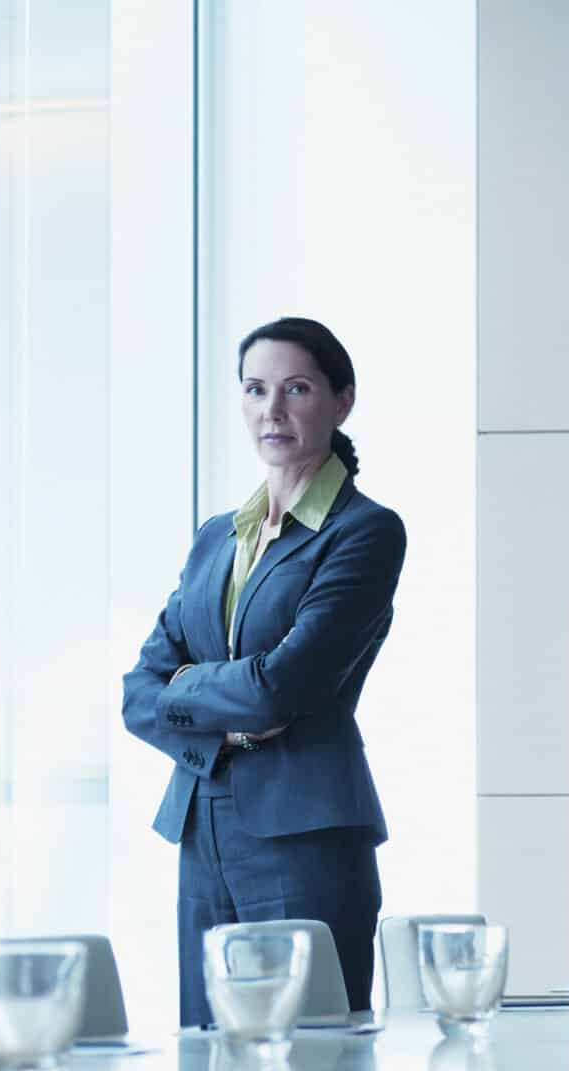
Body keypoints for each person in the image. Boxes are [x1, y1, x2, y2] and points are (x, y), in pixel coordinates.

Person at [121, 317, 406, 1027]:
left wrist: (189, 687)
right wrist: (226, 725)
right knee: (207, 1050)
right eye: (255, 389)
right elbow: (138, 694)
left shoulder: (364, 532)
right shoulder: (216, 537)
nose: (272, 410)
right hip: (203, 826)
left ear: (342, 401)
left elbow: (283, 687)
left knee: (309, 1058)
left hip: (305, 832)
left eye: (296, 389)